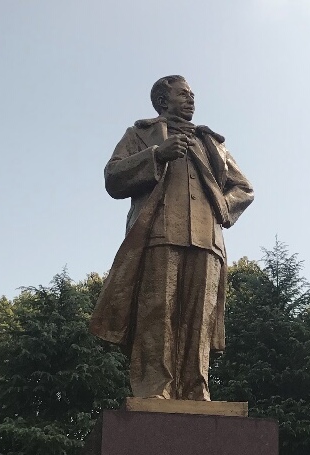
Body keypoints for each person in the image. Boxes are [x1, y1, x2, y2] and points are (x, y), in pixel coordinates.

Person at [89, 75, 254, 400]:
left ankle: (196, 389)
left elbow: (244, 188)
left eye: (192, 94)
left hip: (207, 240)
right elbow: (113, 177)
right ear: (163, 101)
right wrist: (156, 155)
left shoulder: (212, 143)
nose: (191, 99)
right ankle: (156, 388)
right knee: (157, 313)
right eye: (183, 94)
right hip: (159, 234)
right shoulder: (140, 134)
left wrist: (222, 207)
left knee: (200, 317)